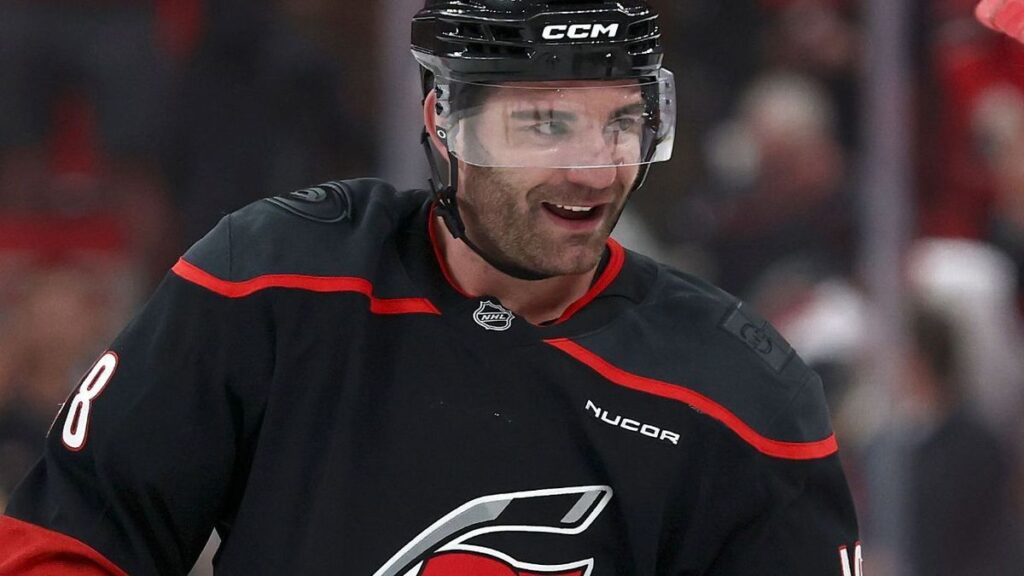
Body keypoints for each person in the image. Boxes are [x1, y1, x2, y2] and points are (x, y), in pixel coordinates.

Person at [0, 1, 861, 574]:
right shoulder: (274, 279)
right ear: (442, 124)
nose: (594, 166)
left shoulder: (744, 395)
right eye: (545, 123)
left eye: (623, 121)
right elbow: (73, 534)